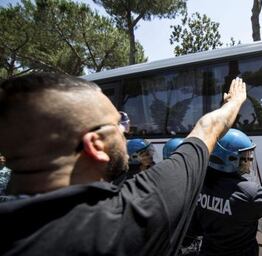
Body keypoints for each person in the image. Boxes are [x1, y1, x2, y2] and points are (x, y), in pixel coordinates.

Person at [0, 73, 247, 255]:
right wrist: (234, 102)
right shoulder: (135, 212)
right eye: (118, 122)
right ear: (95, 145)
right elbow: (208, 129)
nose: (126, 131)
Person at [186, 128, 262, 256]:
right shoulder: (250, 192)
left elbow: (195, 228)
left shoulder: (199, 185)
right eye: (246, 157)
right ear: (232, 159)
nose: (249, 161)